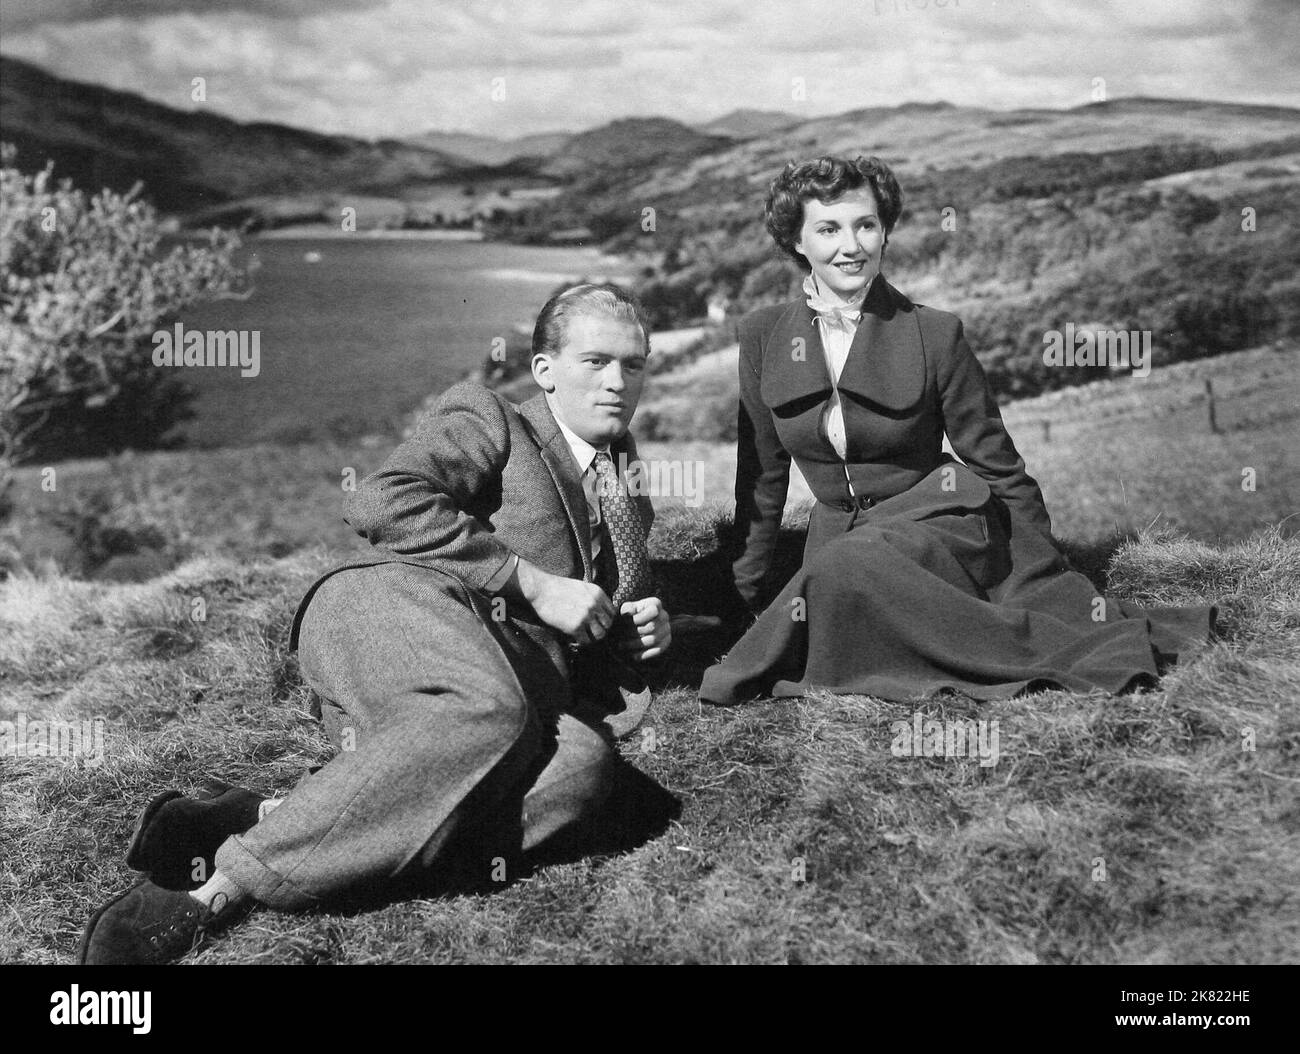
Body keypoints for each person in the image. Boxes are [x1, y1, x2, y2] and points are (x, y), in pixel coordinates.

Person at [79, 282, 676, 964]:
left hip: (503, 678)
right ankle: (213, 889)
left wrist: (640, 635)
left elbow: (587, 619)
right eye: (595, 361)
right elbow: (382, 502)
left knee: (583, 775)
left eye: (635, 364)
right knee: (489, 712)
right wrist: (532, 583)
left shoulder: (625, 479)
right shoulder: (492, 419)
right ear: (544, 370)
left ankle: (272, 816)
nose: (618, 383)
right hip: (395, 614)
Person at [699, 156, 1215, 706]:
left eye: (866, 225)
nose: (852, 245)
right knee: (835, 574)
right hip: (843, 535)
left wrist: (1040, 568)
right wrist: (744, 595)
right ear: (797, 241)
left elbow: (996, 461)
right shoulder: (761, 336)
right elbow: (760, 477)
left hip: (937, 519)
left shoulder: (935, 333)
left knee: (847, 570)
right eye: (828, 228)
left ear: (884, 231)